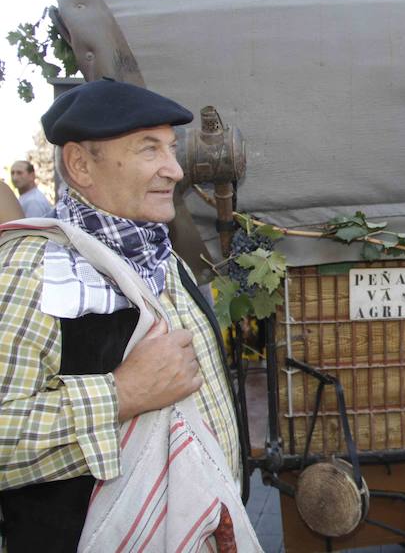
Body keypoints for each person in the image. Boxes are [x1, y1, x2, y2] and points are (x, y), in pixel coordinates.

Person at [0, 80, 244, 551]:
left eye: (171, 149)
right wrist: (121, 394)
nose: (173, 170)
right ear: (79, 164)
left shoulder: (161, 257)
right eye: (149, 150)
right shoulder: (32, 271)